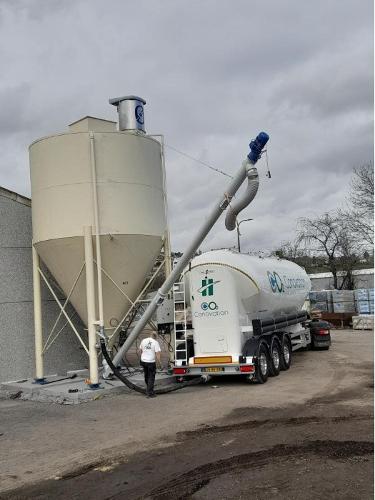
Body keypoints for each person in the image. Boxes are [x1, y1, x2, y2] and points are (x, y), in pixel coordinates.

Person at [139, 332, 161, 398]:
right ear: (155, 337)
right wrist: (159, 362)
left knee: (146, 375)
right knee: (151, 376)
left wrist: (142, 356)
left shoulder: (143, 340)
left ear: (150, 335)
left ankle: (148, 388)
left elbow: (140, 350)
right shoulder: (155, 342)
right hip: (151, 362)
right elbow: (158, 353)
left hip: (143, 361)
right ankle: (150, 393)